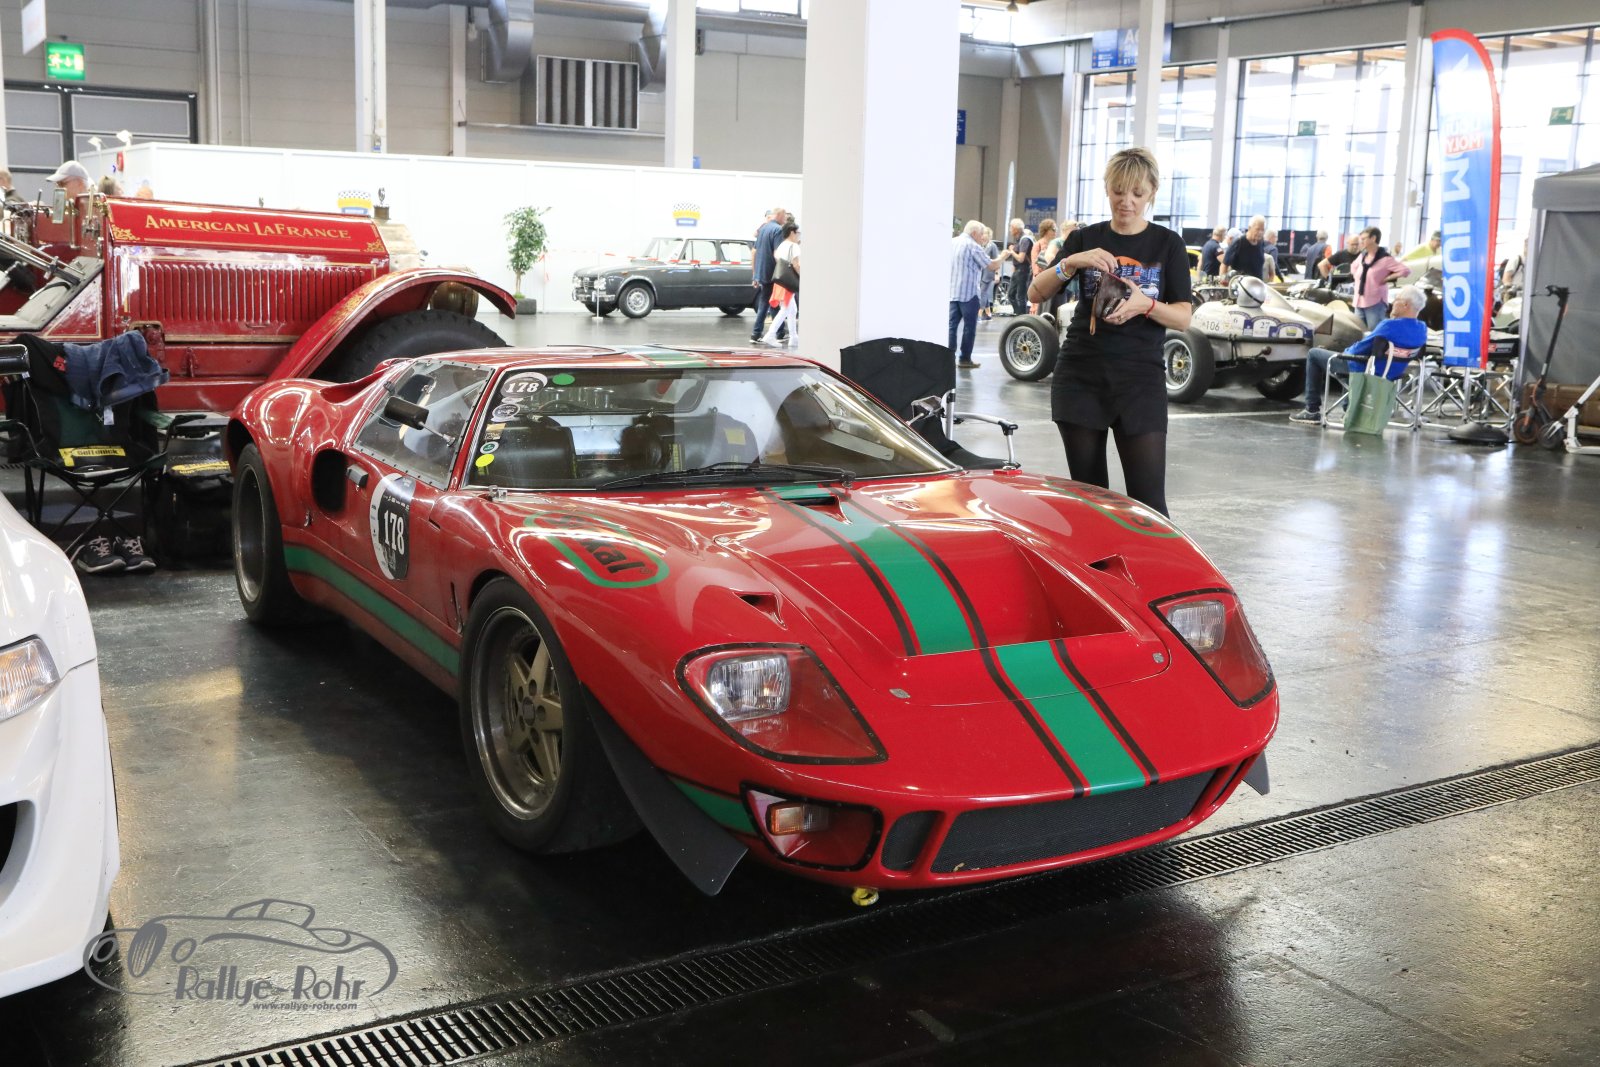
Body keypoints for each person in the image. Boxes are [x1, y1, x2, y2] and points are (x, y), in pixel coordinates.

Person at [1027, 147, 1193, 517]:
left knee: (1149, 505)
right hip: (1081, 375)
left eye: (1137, 193)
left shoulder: (1168, 244)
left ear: (1152, 192)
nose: (1126, 201)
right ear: (1107, 189)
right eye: (1118, 191)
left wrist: (1145, 305)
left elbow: (1183, 318)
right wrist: (1071, 263)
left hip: (1140, 379)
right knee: (1092, 503)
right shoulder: (1084, 239)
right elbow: (1035, 293)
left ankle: (1152, 559)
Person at [1290, 285, 1428, 425]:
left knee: (1314, 354)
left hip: (1367, 371)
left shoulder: (1389, 326)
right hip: (1392, 374)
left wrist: (1345, 352)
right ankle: (1348, 409)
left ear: (1405, 304)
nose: (1392, 303)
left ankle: (1311, 410)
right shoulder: (1422, 329)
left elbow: (1358, 350)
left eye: (1397, 299)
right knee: (1352, 359)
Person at [949, 220, 1001, 369]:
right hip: (969, 294)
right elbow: (991, 265)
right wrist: (1003, 256)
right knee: (969, 328)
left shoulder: (952, 242)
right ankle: (965, 359)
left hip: (952, 292)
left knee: (951, 327)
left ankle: (947, 357)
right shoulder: (972, 246)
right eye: (981, 234)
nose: (982, 237)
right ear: (974, 233)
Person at [1349, 226, 1410, 330]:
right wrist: (1357, 278)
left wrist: (1388, 278)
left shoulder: (1385, 258)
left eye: (1363, 239)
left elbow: (1405, 271)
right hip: (1359, 301)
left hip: (1375, 303)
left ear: (1373, 238)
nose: (1361, 242)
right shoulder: (1362, 256)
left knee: (1374, 332)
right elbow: (1353, 267)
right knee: (1358, 332)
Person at [750, 206, 788, 343]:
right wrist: (784, 271)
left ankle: (763, 333)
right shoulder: (778, 230)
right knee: (771, 302)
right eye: (784, 216)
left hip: (762, 271)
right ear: (779, 216)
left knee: (768, 302)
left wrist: (755, 274)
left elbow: (754, 251)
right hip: (773, 272)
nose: (785, 219)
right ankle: (769, 333)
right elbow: (777, 253)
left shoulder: (763, 229)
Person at [760, 221, 801, 348]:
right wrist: (802, 277)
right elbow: (796, 264)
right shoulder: (794, 246)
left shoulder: (782, 245)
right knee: (785, 309)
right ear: (792, 232)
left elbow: (776, 257)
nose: (798, 235)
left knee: (792, 309)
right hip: (789, 282)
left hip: (781, 281)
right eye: (797, 233)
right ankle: (770, 334)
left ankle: (794, 338)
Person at [1004, 218, 1034, 316]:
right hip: (1018, 270)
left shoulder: (1025, 240)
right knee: (1011, 295)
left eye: (1011, 227)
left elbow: (1021, 258)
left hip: (1023, 270)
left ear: (1015, 229)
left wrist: (1012, 251)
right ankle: (1018, 314)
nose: (1010, 230)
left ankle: (1022, 317)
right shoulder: (1019, 239)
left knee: (1020, 296)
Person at [979, 225, 1001, 321]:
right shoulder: (983, 246)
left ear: (988, 235)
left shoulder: (992, 246)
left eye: (984, 234)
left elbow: (997, 261)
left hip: (989, 274)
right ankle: (988, 314)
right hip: (982, 273)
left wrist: (997, 274)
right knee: (984, 294)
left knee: (982, 293)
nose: (982, 236)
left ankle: (979, 314)